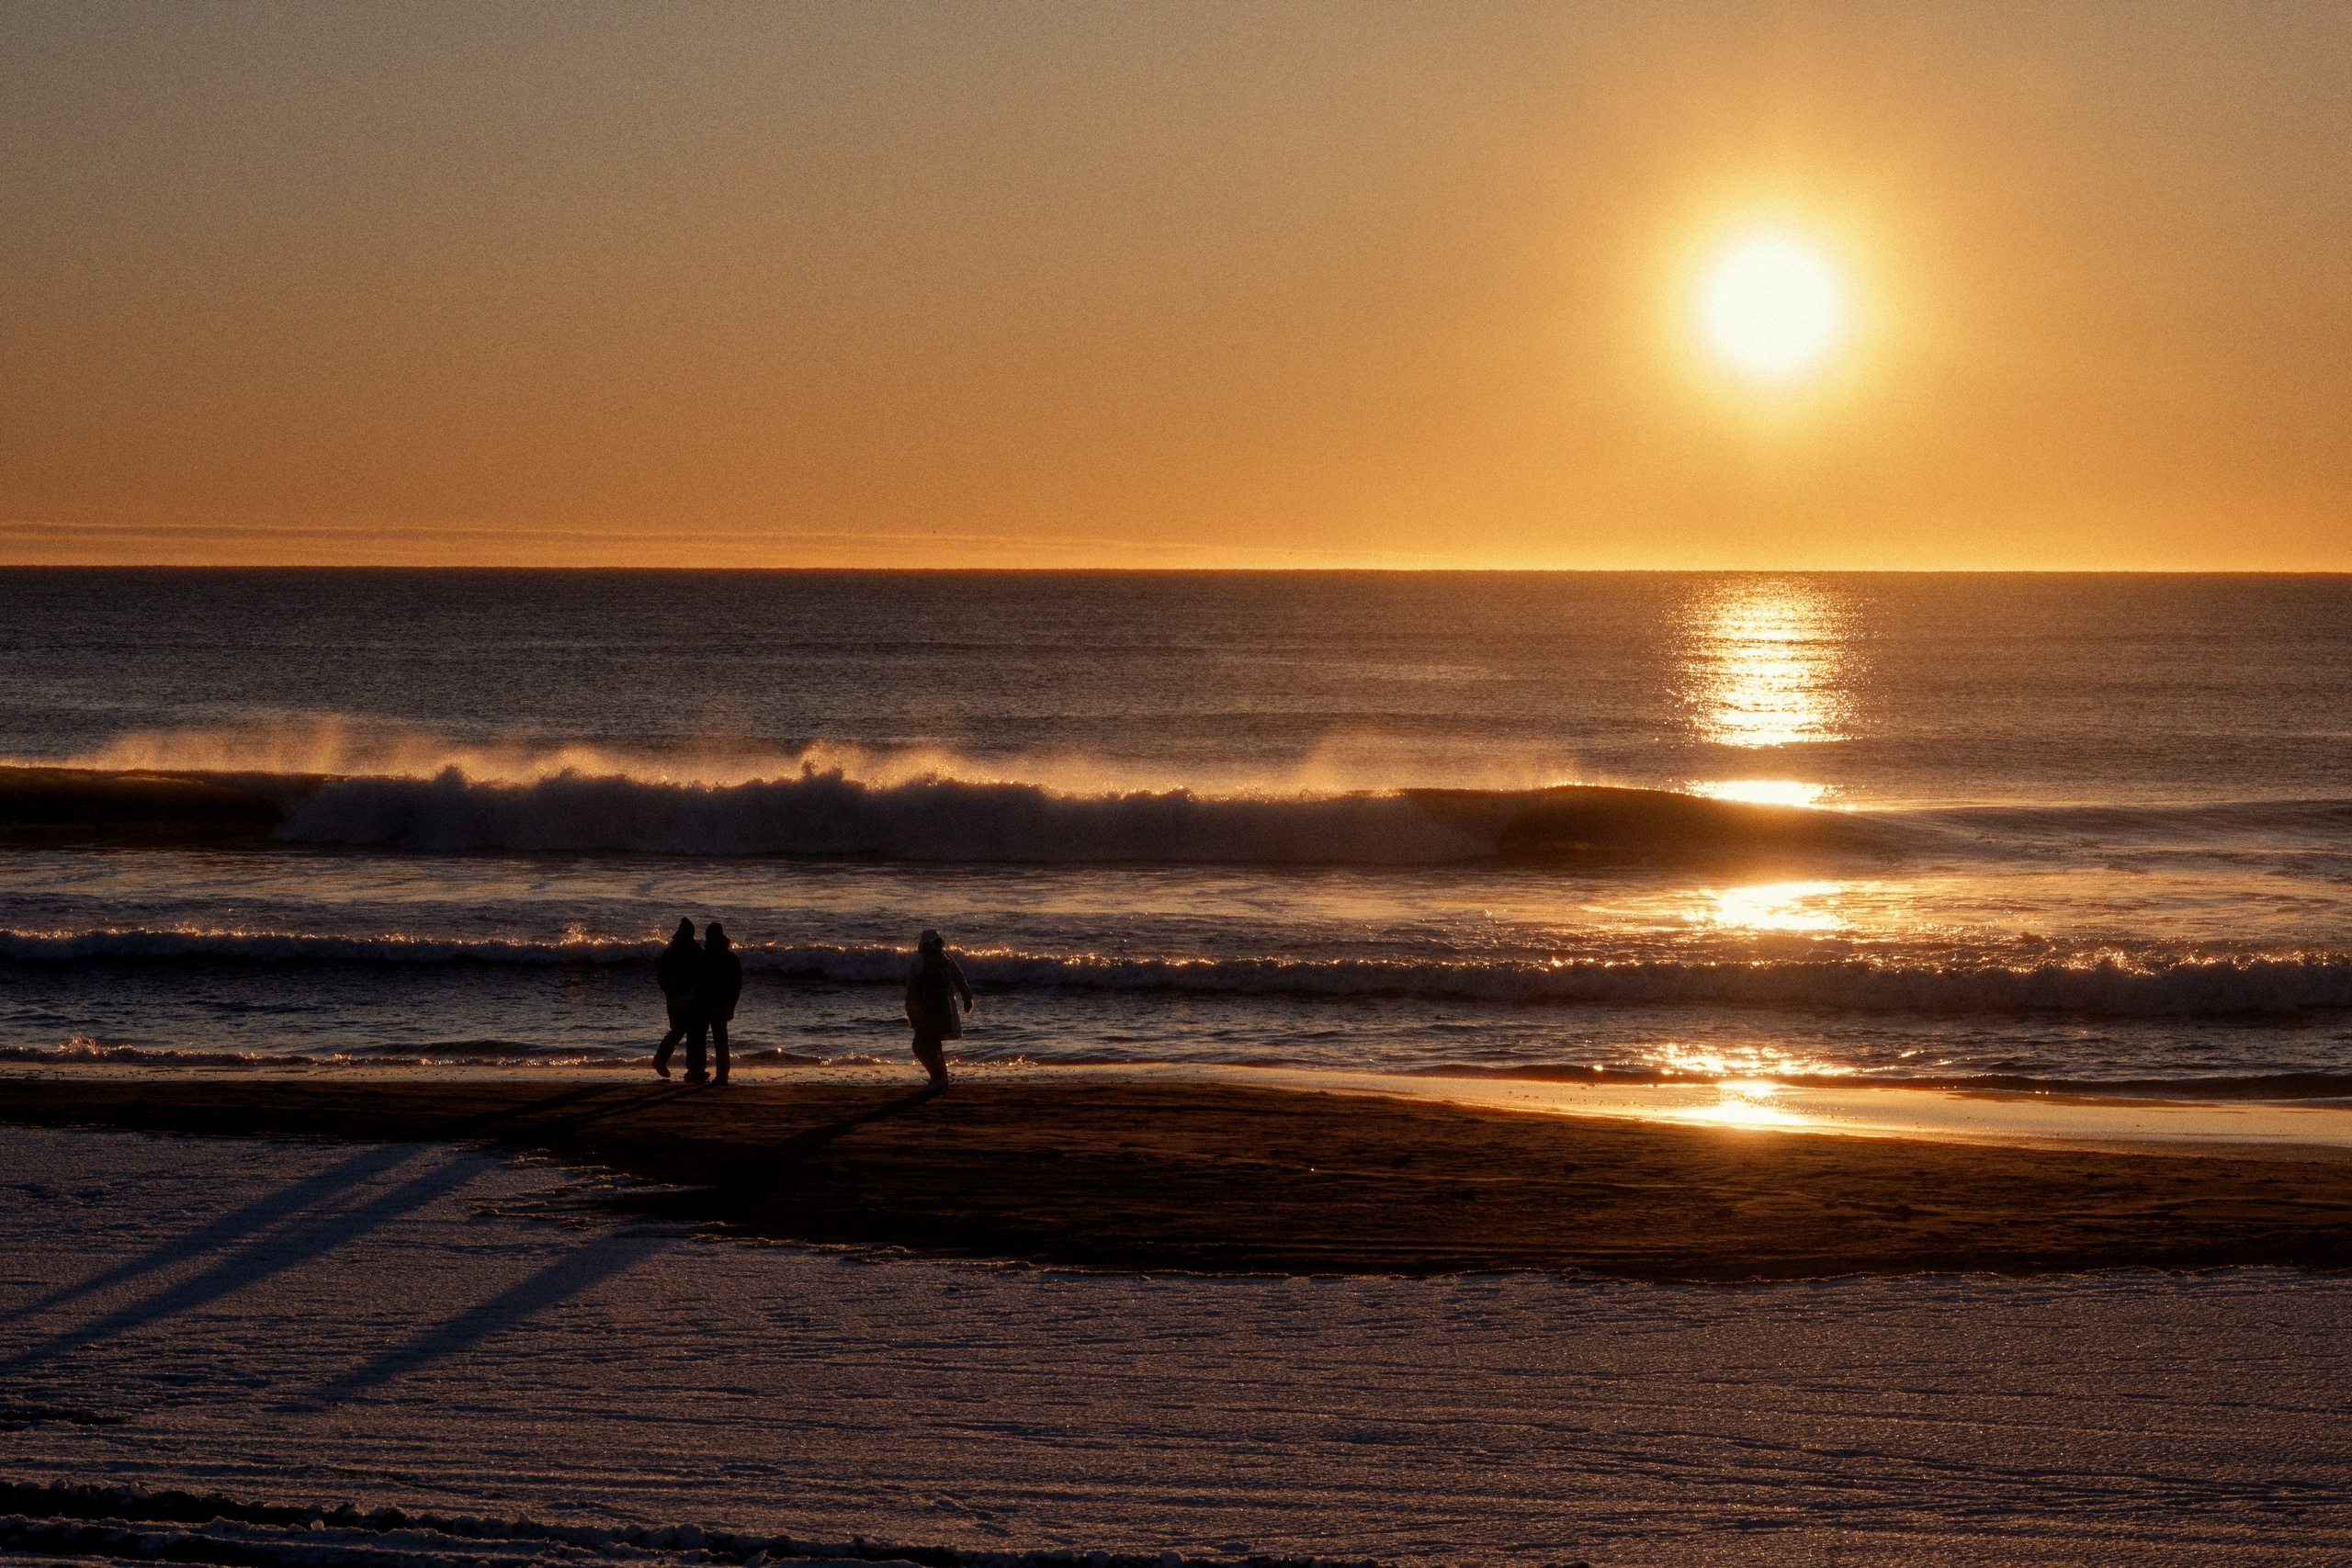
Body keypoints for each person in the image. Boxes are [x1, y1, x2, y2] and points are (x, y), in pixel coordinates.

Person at [903, 928, 973, 1088]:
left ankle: (938, 1078)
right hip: (937, 1012)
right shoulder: (940, 961)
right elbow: (959, 978)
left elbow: (912, 990)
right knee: (933, 1046)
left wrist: (967, 997)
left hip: (930, 1013)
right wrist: (967, 997)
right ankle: (940, 1079)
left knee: (922, 1046)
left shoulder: (933, 962)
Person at [695, 921, 744, 1086]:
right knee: (720, 1041)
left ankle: (701, 1073)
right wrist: (732, 1006)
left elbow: (696, 982)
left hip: (705, 1004)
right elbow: (736, 987)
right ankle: (721, 1075)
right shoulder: (731, 958)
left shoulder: (703, 957)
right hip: (719, 1005)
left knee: (702, 1039)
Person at [652, 919, 699, 1079]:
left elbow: (660, 974)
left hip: (672, 997)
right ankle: (692, 1069)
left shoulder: (670, 949)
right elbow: (697, 974)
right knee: (691, 1032)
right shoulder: (694, 949)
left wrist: (667, 989)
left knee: (678, 1030)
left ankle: (661, 1060)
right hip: (688, 996)